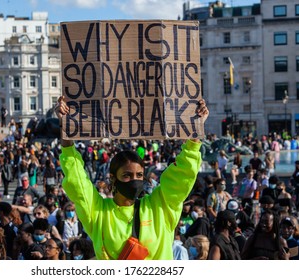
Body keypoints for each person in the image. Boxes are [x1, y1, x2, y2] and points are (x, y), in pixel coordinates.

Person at [55, 97, 209, 260]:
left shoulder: (160, 206)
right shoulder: (98, 212)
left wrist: (195, 135)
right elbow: (77, 181)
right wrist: (66, 133)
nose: (134, 180)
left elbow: (182, 175)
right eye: (127, 175)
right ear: (113, 178)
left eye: (139, 175)